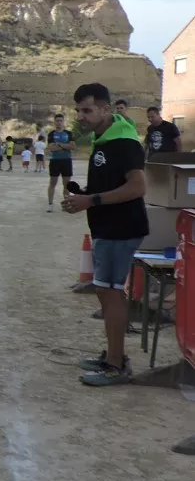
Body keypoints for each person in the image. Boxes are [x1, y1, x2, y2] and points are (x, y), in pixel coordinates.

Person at [62, 83, 148, 386]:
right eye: (78, 111)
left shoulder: (124, 143)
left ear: (105, 109)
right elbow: (111, 183)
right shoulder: (104, 137)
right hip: (106, 228)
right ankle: (113, 355)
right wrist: (84, 195)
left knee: (111, 294)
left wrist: (92, 200)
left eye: (87, 110)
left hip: (120, 229)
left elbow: (137, 187)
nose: (81, 117)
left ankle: (116, 365)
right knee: (104, 291)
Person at [45, 115, 74, 212]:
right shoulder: (51, 134)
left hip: (66, 160)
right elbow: (51, 148)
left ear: (63, 122)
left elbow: (72, 146)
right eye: (57, 121)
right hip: (55, 161)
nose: (59, 122)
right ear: (54, 122)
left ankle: (66, 205)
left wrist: (59, 144)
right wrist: (65, 146)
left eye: (61, 120)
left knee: (66, 184)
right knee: (53, 183)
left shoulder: (69, 133)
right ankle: (50, 204)